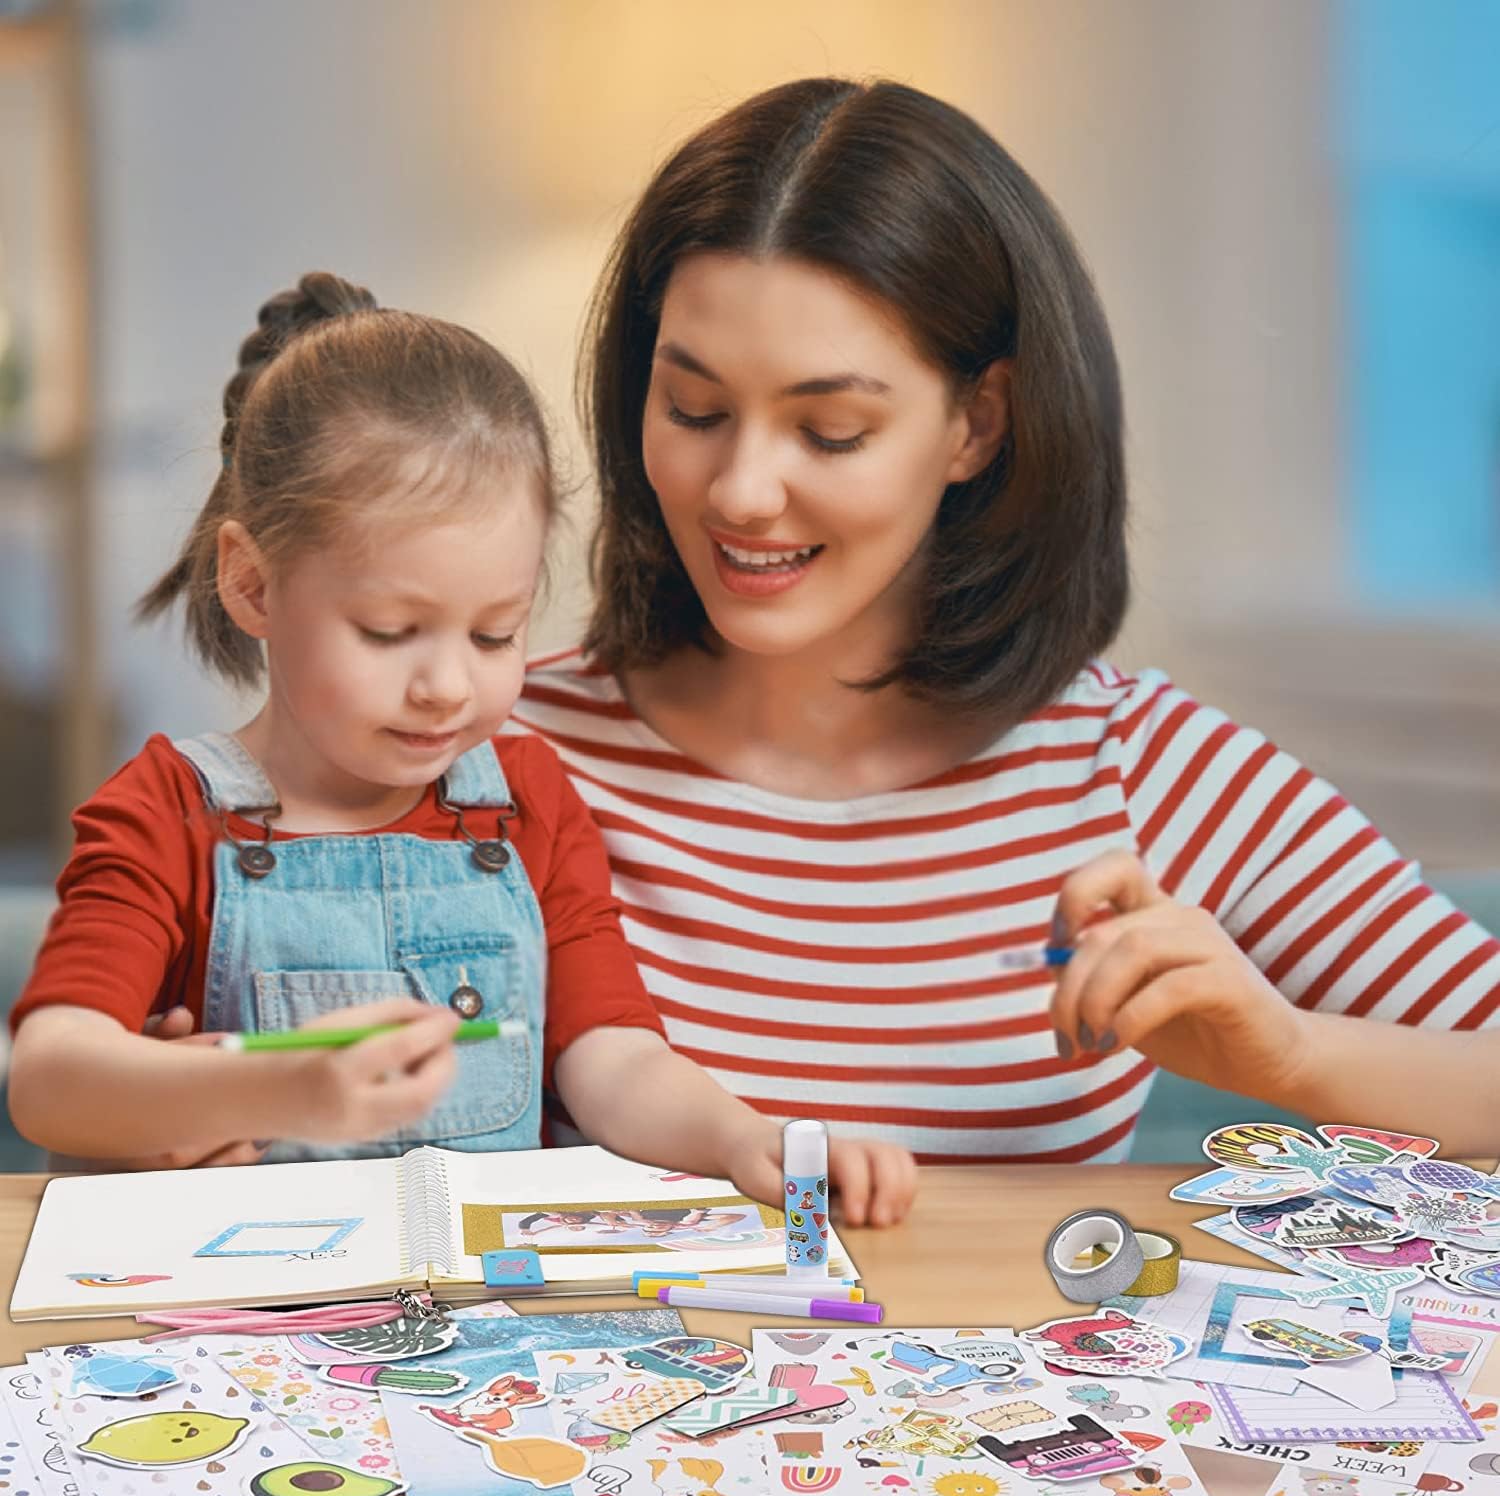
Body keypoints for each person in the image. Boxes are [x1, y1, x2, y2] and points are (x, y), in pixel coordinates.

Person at [510, 77, 1500, 1163]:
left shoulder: (1142, 768)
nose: (741, 490)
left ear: (977, 425)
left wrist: (1293, 1059)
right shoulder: (503, 755)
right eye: (694, 410)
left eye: (830, 430)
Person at [6, 271, 917, 1225]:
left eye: (495, 635)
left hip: (491, 1318)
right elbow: (51, 1074)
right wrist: (275, 1093)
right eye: (392, 631)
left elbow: (611, 1057)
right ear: (254, 585)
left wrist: (747, 1140)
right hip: (249, 1323)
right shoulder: (167, 811)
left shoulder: (526, 799)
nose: (447, 685)